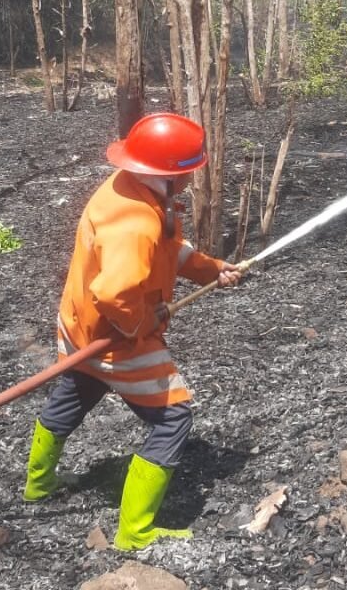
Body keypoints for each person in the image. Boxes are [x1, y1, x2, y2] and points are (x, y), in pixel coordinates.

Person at [21, 113, 242, 551]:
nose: (190, 177)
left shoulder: (128, 187)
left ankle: (38, 485)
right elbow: (115, 290)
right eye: (189, 170)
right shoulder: (137, 220)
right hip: (116, 340)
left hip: (79, 330)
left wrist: (211, 271)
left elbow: (167, 248)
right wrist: (144, 324)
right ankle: (135, 532)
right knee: (174, 418)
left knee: (76, 390)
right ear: (173, 172)